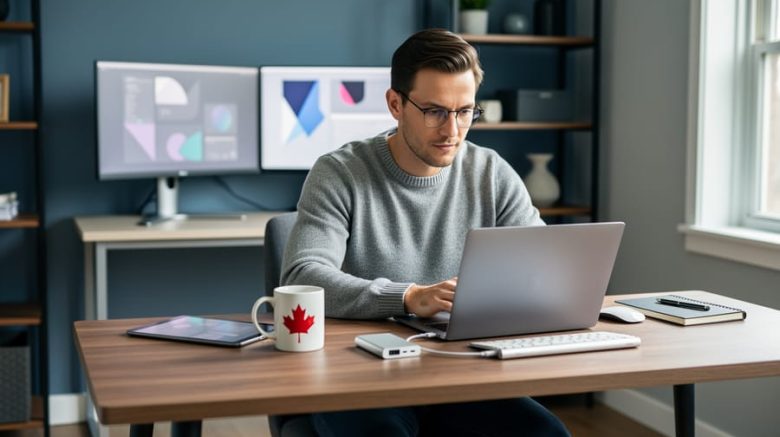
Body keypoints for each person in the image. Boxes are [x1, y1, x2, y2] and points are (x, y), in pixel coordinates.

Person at [281, 28, 569, 437]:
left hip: (460, 372)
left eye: (465, 111)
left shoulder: (490, 172)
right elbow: (302, 276)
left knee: (546, 434)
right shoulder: (340, 173)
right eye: (435, 111)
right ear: (395, 104)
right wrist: (409, 297)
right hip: (358, 376)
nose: (452, 131)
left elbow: (544, 259)